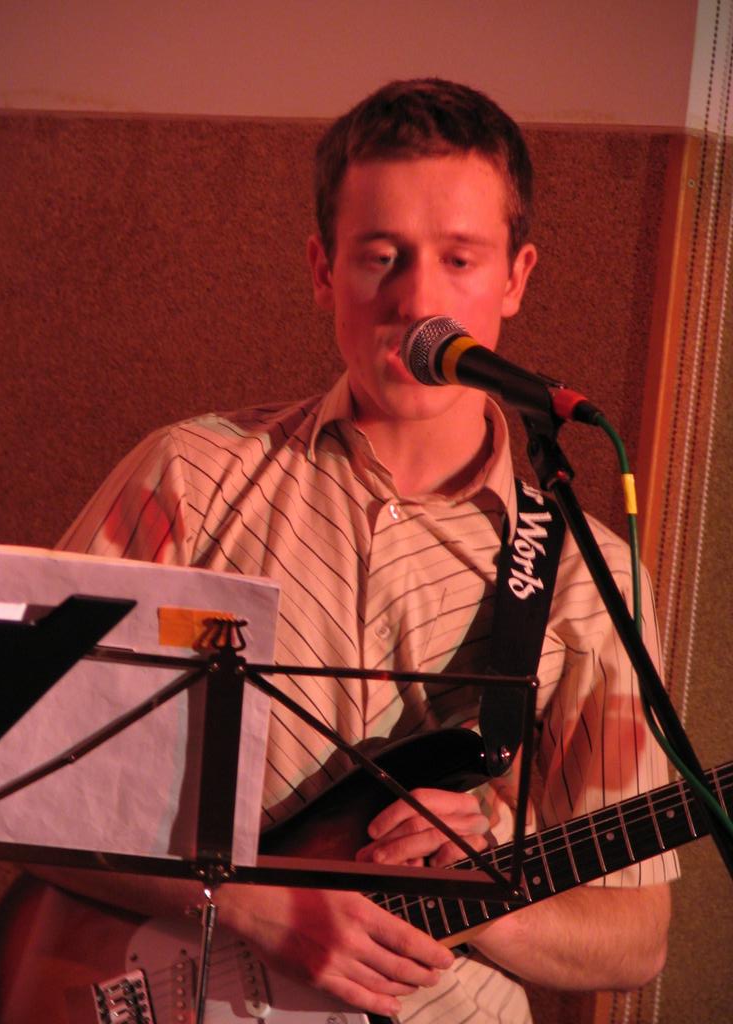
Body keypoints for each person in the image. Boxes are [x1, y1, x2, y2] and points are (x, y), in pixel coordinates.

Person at [45, 79, 676, 1023]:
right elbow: (12, 785)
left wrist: (489, 892)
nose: (419, 300)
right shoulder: (191, 478)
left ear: (515, 278)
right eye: (382, 257)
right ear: (322, 269)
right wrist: (251, 908)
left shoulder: (594, 578)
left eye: (459, 259)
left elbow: (636, 937)